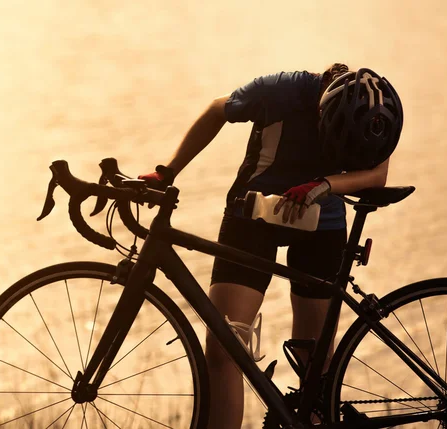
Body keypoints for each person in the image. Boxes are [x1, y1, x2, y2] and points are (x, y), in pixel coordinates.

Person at [139, 64, 403, 428]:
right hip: (254, 216)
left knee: (316, 366)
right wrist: (168, 171)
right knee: (224, 348)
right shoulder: (280, 91)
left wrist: (322, 185)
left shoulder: (373, 113)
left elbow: (378, 174)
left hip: (320, 223)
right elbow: (218, 108)